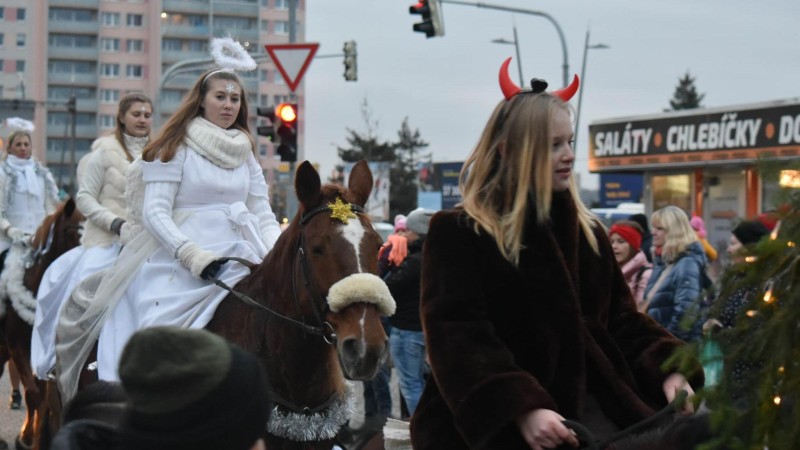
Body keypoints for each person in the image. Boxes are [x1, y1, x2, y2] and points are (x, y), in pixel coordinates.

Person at [410, 59, 697, 450]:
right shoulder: (462, 231)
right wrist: (522, 407)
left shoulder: (589, 232)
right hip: (491, 430)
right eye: (553, 144)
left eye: (570, 142)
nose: (567, 155)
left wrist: (670, 370)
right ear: (510, 150)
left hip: (594, 414)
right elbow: (457, 335)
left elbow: (622, 322)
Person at [88, 67, 281, 381]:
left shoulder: (246, 153)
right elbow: (155, 212)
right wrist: (191, 254)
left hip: (242, 248)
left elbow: (262, 212)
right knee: (158, 332)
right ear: (201, 101)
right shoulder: (174, 145)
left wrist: (277, 252)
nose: (229, 104)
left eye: (235, 98)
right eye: (220, 96)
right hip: (180, 255)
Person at [32, 93, 153, 380]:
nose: (143, 119)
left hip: (146, 243)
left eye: (147, 114)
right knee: (77, 292)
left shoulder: (159, 152)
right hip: (106, 241)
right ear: (122, 117)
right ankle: (56, 359)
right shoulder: (103, 152)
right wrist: (114, 223)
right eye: (136, 114)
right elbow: (85, 197)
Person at [0, 119, 59, 408]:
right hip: (9, 240)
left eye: (27, 144)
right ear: (9, 147)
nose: (24, 149)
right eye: (18, 145)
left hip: (38, 241)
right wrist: (11, 231)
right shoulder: (2, 173)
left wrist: (47, 228)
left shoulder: (42, 173)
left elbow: (52, 205)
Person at [386, 208, 434, 418]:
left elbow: (388, 286)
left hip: (406, 331)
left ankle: (420, 428)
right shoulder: (435, 257)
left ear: (418, 232)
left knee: (410, 385)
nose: (404, 235)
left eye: (408, 230)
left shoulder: (414, 262)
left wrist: (392, 265)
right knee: (421, 382)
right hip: (424, 329)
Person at [643, 206, 709, 342]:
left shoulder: (686, 263)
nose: (653, 232)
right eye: (653, 227)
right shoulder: (663, 262)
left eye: (660, 228)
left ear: (675, 232)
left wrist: (669, 342)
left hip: (674, 351)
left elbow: (686, 312)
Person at [608, 220, 652, 308]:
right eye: (612, 242)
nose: (614, 246)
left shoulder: (646, 274)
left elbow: (640, 311)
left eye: (621, 241)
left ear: (633, 246)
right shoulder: (607, 271)